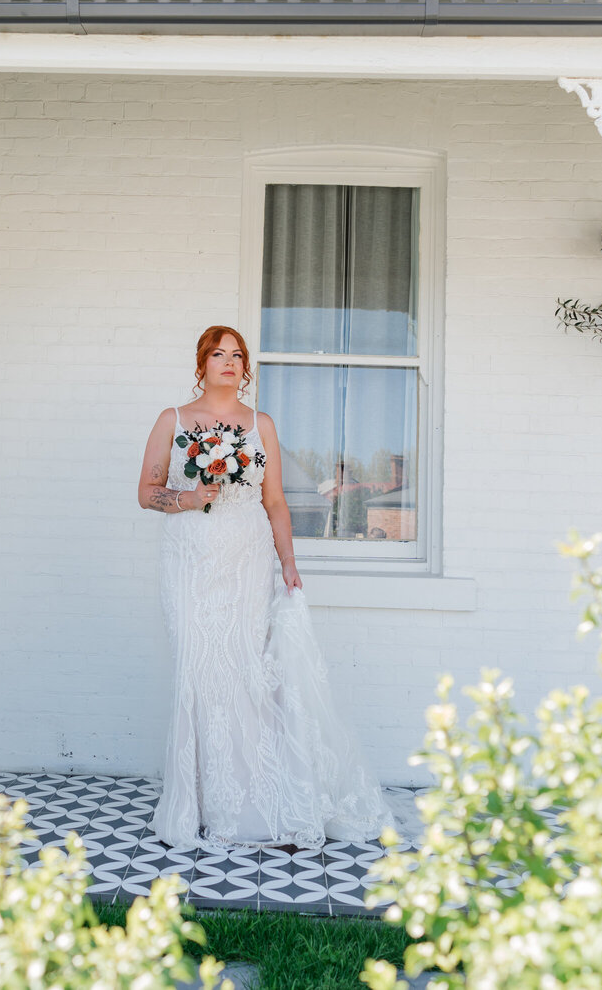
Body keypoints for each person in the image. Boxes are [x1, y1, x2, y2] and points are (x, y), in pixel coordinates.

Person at [136, 324, 394, 850]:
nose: (228, 362)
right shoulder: (174, 420)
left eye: (237, 355)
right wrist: (190, 498)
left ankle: (254, 793)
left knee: (243, 669)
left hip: (246, 557)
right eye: (218, 354)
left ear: (244, 367)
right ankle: (199, 801)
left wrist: (289, 563)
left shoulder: (261, 426)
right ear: (201, 364)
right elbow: (147, 491)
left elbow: (274, 502)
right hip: (189, 558)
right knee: (195, 667)